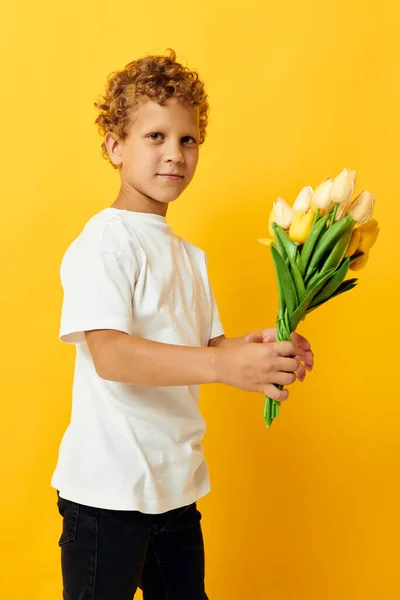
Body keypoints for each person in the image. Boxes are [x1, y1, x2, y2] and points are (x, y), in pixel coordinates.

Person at [51, 49, 314, 600]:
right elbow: (112, 355)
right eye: (155, 137)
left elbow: (207, 347)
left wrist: (262, 351)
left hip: (174, 487)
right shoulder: (106, 240)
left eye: (188, 139)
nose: (175, 153)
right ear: (114, 146)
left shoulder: (189, 256)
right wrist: (223, 363)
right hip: (108, 493)